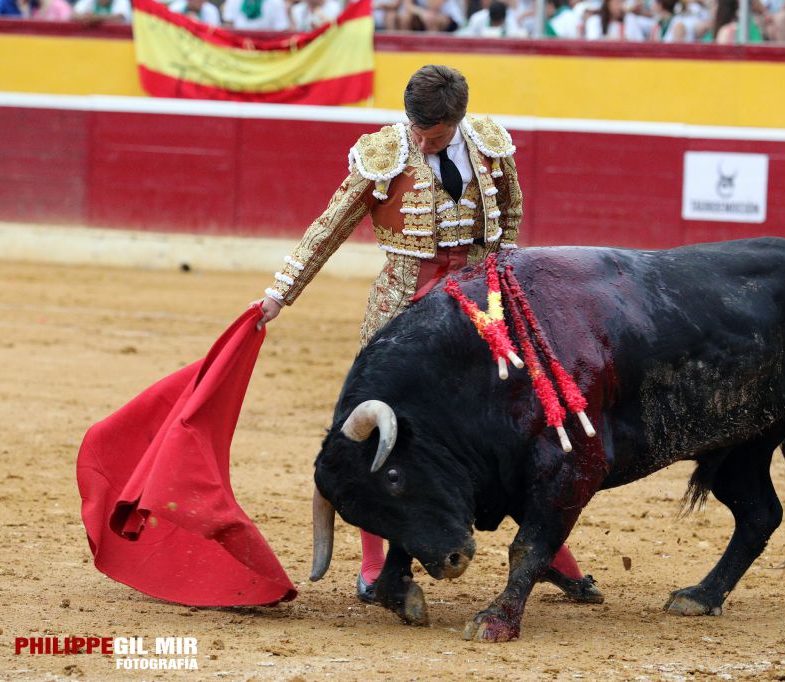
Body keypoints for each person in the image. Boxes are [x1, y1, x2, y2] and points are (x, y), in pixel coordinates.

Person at [253, 65, 603, 606]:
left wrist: (504, 277)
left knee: (511, 427)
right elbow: (329, 226)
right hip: (403, 311)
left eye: (434, 136)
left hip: (480, 311)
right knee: (376, 435)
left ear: (457, 122)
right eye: (416, 130)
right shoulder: (383, 153)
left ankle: (551, 556)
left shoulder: (488, 145)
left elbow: (510, 215)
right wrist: (281, 292)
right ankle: (374, 568)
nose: (421, 141)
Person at [221, 0, 290, 30]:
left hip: (266, 50)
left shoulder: (275, 2)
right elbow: (228, 26)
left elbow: (281, 29)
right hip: (239, 49)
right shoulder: (234, 1)